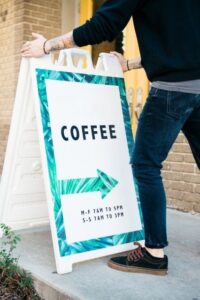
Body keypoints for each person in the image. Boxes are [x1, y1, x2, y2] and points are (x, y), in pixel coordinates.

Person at [21, 0, 200, 276]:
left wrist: (47, 46)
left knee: (145, 165)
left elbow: (101, 26)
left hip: (171, 91)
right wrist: (130, 63)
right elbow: (183, 42)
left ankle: (154, 253)